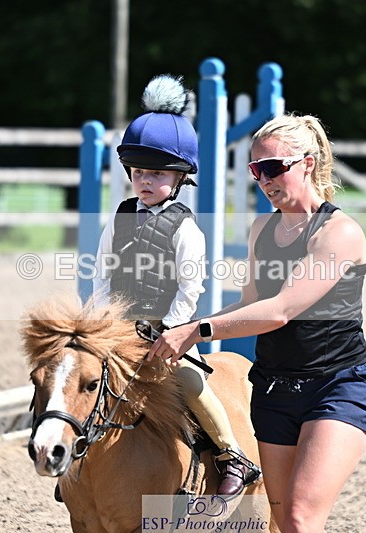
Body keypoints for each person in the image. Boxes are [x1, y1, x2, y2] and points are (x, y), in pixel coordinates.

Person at [147, 113, 366, 532]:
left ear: (307, 163)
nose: (263, 180)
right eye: (256, 170)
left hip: (336, 386)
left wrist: (195, 331)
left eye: (273, 168)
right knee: (276, 520)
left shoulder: (339, 233)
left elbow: (279, 310)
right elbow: (249, 303)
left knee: (299, 516)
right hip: (273, 388)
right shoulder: (261, 229)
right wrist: (179, 330)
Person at [92, 74, 261, 498]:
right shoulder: (121, 216)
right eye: (137, 172)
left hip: (169, 332)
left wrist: (172, 332)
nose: (144, 180)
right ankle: (80, 461)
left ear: (180, 175)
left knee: (187, 381)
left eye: (155, 173)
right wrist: (99, 320)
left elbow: (192, 287)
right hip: (118, 328)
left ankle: (229, 454)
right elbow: (101, 270)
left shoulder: (186, 228)